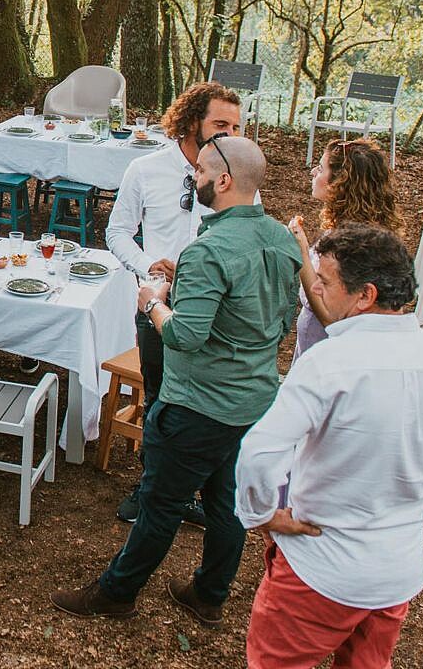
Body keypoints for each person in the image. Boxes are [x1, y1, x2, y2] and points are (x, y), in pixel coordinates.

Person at [53, 136, 302, 625]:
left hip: (198, 405)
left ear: (224, 181)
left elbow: (186, 337)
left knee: (160, 504)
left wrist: (153, 302)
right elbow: (280, 318)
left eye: (202, 174)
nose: (195, 179)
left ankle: (116, 593)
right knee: (225, 506)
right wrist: (183, 282)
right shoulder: (280, 238)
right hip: (255, 401)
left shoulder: (208, 250)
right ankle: (209, 595)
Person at [235, 224, 423, 668]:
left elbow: (259, 452)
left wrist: (260, 515)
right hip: (397, 569)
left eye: (325, 281)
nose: (313, 286)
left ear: (364, 295)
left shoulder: (327, 364)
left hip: (319, 568)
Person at [104, 81, 244, 525]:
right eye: (221, 124)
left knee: (209, 403)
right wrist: (151, 268)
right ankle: (154, 490)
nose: (231, 134)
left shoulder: (238, 175)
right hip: (157, 305)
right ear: (189, 123)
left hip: (218, 310)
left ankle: (205, 492)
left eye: (237, 126)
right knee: (162, 401)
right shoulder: (145, 169)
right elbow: (117, 232)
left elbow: (245, 238)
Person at [287, 138, 401, 357]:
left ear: (339, 183)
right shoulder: (359, 229)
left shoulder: (352, 244)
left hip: (326, 355)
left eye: (321, 168)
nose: (313, 172)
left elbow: (330, 319)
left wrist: (301, 251)